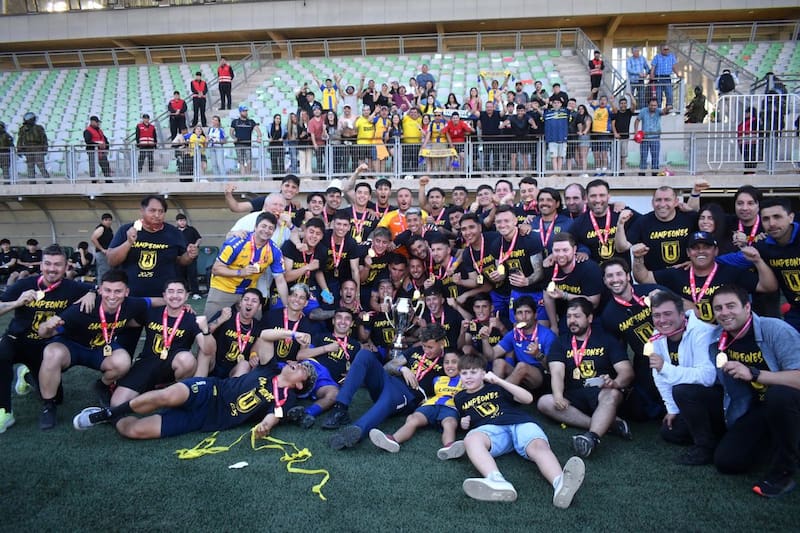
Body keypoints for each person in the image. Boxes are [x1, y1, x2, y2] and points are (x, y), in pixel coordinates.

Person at [72, 352, 315, 441]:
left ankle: (114, 418)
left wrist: (264, 425)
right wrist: (292, 336)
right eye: (296, 362)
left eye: (301, 367)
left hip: (207, 419)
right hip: (210, 390)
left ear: (301, 384)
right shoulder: (270, 367)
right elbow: (267, 337)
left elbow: (274, 416)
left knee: (132, 431)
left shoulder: (287, 400)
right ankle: (107, 413)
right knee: (167, 396)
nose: (295, 364)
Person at [454, 353, 586, 506]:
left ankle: (560, 484)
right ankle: (496, 480)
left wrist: (499, 381)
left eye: (473, 372)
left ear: (483, 373)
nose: (468, 377)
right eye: (464, 373)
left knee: (538, 447)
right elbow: (464, 419)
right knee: (470, 439)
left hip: (518, 422)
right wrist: (463, 423)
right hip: (490, 431)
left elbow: (527, 399)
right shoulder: (459, 398)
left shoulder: (496, 387)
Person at [709, 285, 800, 498]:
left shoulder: (775, 329)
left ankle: (783, 472)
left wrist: (756, 374)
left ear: (747, 307)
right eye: (718, 308)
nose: (724, 312)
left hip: (788, 402)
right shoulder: (717, 339)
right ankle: (783, 442)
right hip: (757, 406)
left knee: (778, 394)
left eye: (731, 306)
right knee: (727, 461)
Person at [35, 270, 155, 429]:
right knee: (52, 353)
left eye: (118, 291)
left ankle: (103, 385)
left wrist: (176, 302)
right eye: (107, 290)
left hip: (99, 349)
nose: (112, 296)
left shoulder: (132, 304)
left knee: (123, 361)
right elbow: (44, 333)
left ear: (126, 292)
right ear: (100, 290)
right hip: (72, 348)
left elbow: (152, 301)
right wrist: (46, 326)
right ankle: (48, 406)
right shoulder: (83, 307)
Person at [0, 245, 95, 432]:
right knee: (1, 355)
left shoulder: (72, 287)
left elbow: (99, 287)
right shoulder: (24, 285)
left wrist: (92, 292)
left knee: (56, 399)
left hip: (44, 347)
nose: (52, 268)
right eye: (48, 263)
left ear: (66, 265)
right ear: (41, 265)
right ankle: (4, 411)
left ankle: (26, 375)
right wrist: (17, 302)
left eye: (57, 264)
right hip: (17, 339)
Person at [323, 324, 451, 448]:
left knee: (389, 397)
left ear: (441, 343)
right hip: (389, 381)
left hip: (407, 394)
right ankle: (340, 408)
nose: (426, 350)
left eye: (430, 347)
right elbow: (388, 367)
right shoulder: (415, 351)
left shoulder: (448, 362)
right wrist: (402, 369)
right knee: (364, 355)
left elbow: (453, 387)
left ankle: (356, 431)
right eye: (424, 346)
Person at [537, 298, 634, 458]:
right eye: (569, 317)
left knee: (613, 394)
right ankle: (609, 424)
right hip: (574, 397)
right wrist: (558, 395)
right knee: (544, 402)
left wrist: (615, 382)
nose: (572, 321)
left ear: (589, 318)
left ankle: (592, 437)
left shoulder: (607, 339)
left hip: (601, 393)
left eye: (577, 316)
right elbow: (557, 372)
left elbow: (627, 371)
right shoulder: (561, 342)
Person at [109, 279, 214, 408]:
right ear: (164, 295)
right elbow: (127, 322)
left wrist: (205, 330)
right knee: (116, 403)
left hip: (173, 365)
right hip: (147, 362)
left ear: (187, 296)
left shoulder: (191, 319)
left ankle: (177, 388)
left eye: (180, 292)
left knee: (187, 359)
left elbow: (208, 350)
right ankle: (152, 388)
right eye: (171, 292)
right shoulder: (152, 312)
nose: (175, 296)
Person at [632, 231, 776, 323]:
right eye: (695, 248)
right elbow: (643, 278)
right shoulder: (677, 273)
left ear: (716, 251)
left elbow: (769, 287)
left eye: (706, 247)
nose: (701, 251)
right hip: (692, 337)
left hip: (724, 333)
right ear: (688, 253)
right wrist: (638, 258)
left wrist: (758, 261)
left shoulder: (731, 272)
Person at [645, 289, 720, 465]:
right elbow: (659, 375)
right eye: (657, 316)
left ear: (681, 314)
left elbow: (707, 377)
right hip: (692, 401)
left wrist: (666, 367)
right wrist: (672, 409)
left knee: (682, 390)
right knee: (669, 431)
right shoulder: (655, 337)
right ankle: (715, 435)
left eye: (667, 314)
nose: (662, 320)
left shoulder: (701, 332)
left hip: (718, 399)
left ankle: (705, 447)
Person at [368, 351, 463, 458]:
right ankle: (393, 440)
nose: (449, 365)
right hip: (431, 405)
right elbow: (429, 392)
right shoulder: (437, 379)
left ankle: (449, 447)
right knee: (413, 418)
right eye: (446, 362)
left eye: (454, 362)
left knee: (449, 423)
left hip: (450, 407)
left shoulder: (466, 380)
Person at [107, 195, 197, 298]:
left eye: (161, 211)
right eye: (152, 211)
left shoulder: (174, 233)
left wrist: (189, 255)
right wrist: (128, 243)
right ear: (142, 211)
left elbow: (181, 260)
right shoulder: (126, 230)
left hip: (163, 297)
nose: (157, 215)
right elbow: (111, 260)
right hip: (131, 296)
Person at [205, 211, 289, 319]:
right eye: (263, 226)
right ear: (255, 227)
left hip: (248, 292)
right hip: (223, 288)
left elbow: (280, 280)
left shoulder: (274, 250)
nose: (266, 230)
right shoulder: (237, 242)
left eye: (270, 228)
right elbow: (216, 269)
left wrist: (286, 305)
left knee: (255, 325)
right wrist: (240, 272)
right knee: (210, 324)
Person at [616, 184, 703, 271]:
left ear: (676, 202)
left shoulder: (688, 218)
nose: (662, 204)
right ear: (652, 202)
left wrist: (695, 262)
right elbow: (621, 248)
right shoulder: (643, 222)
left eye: (667, 200)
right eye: (658, 200)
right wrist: (620, 224)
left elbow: (708, 243)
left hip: (686, 275)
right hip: (655, 278)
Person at [197, 288, 264, 379]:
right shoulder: (226, 315)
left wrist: (254, 356)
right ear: (240, 303)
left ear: (259, 307)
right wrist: (220, 320)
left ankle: (230, 390)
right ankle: (197, 384)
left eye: (254, 301)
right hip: (214, 364)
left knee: (245, 364)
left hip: (235, 369)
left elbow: (256, 347)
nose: (249, 303)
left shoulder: (258, 326)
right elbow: (204, 333)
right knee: (206, 349)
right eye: (246, 299)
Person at [634, 98, 666, 175]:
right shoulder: (643, 111)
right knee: (643, 157)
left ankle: (655, 173)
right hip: (644, 138)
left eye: (655, 105)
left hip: (655, 137)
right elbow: (637, 120)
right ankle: (642, 173)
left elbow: (665, 112)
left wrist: (668, 106)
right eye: (651, 105)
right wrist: (636, 132)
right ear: (648, 105)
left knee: (655, 157)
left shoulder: (658, 111)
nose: (653, 107)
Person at [16, 111, 50, 182]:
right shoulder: (23, 129)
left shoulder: (39, 128)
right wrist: (19, 149)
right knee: (30, 166)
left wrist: (45, 148)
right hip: (28, 149)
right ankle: (32, 181)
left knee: (40, 165)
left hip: (38, 148)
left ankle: (47, 180)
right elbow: (20, 140)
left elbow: (44, 139)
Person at [175, 213, 202, 299]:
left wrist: (195, 245)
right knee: (180, 275)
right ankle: (183, 292)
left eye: (183, 220)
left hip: (191, 256)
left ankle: (196, 292)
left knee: (192, 274)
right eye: (180, 221)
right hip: (179, 256)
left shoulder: (191, 229)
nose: (182, 222)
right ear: (177, 222)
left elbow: (199, 238)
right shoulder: (174, 231)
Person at [229, 105, 262, 176]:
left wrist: (258, 137)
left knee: (249, 161)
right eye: (244, 111)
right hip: (238, 144)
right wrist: (234, 138)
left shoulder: (251, 122)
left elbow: (258, 130)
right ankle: (243, 176)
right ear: (240, 112)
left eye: (246, 111)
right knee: (241, 161)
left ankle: (248, 176)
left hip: (247, 144)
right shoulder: (235, 122)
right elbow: (231, 132)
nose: (245, 113)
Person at [649, 44, 681, 112]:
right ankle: (658, 108)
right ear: (661, 50)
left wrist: (678, 74)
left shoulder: (672, 57)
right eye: (665, 49)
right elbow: (653, 67)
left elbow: (674, 67)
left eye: (667, 49)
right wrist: (651, 74)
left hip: (667, 77)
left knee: (669, 92)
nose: (666, 51)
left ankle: (669, 107)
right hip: (659, 78)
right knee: (658, 94)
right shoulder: (657, 57)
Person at [544, 98, 569, 173]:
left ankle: (559, 172)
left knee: (560, 156)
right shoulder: (547, 113)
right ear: (552, 104)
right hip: (552, 138)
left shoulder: (565, 112)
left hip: (562, 138)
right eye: (555, 103)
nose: (556, 104)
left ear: (561, 104)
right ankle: (555, 172)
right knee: (553, 156)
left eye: (558, 103)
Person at [611, 96, 635, 173]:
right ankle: (616, 170)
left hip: (625, 137)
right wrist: (615, 133)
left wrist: (631, 96)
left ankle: (622, 170)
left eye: (625, 103)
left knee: (623, 155)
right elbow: (613, 123)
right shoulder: (616, 112)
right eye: (621, 103)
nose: (623, 105)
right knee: (615, 155)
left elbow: (634, 104)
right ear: (619, 104)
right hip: (617, 137)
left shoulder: (628, 112)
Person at [90, 213, 114, 283]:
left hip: (107, 253)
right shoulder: (101, 228)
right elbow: (93, 238)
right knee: (103, 272)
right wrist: (102, 249)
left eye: (110, 220)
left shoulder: (109, 229)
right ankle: (101, 288)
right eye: (106, 220)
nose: (108, 222)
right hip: (101, 253)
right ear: (103, 221)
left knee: (107, 271)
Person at [737, 107, 760, 174]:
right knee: (746, 158)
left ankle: (751, 172)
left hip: (751, 142)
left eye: (748, 112)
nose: (746, 114)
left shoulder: (754, 120)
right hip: (743, 142)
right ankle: (748, 171)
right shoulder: (745, 120)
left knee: (751, 157)